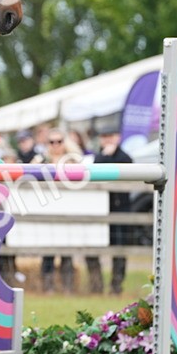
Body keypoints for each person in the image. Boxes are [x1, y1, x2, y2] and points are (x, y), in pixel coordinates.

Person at [86, 125, 133, 295]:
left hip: (120, 208)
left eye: (110, 136)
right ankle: (96, 285)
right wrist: (105, 156)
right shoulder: (97, 157)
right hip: (100, 209)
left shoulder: (125, 157)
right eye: (104, 136)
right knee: (93, 246)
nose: (107, 140)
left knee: (119, 248)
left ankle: (116, 286)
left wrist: (107, 156)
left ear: (117, 137)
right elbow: (95, 172)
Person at [40, 129, 81, 294]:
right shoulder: (42, 160)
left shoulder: (73, 161)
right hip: (47, 209)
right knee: (47, 252)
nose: (56, 145)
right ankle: (48, 287)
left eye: (59, 141)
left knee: (67, 251)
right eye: (52, 142)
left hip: (67, 209)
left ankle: (68, 287)